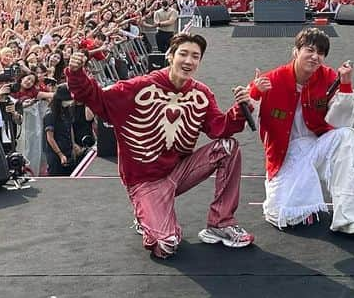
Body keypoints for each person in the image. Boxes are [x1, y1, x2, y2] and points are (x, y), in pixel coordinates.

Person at [65, 33, 254, 259]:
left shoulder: (201, 93)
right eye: (183, 54)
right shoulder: (138, 87)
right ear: (170, 56)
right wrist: (76, 74)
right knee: (167, 245)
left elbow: (218, 128)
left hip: (179, 171)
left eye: (195, 56)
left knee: (228, 147)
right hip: (145, 180)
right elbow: (96, 98)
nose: (189, 61)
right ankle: (145, 215)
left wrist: (240, 109)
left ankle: (221, 223)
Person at [246, 27, 354, 233]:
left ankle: (352, 217)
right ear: (295, 51)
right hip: (285, 152)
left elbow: (342, 122)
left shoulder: (329, 77)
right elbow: (248, 121)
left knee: (348, 137)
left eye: (321, 53)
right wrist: (254, 93)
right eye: (310, 50)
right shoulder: (271, 80)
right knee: (282, 214)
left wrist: (345, 85)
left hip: (318, 144)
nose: (315, 57)